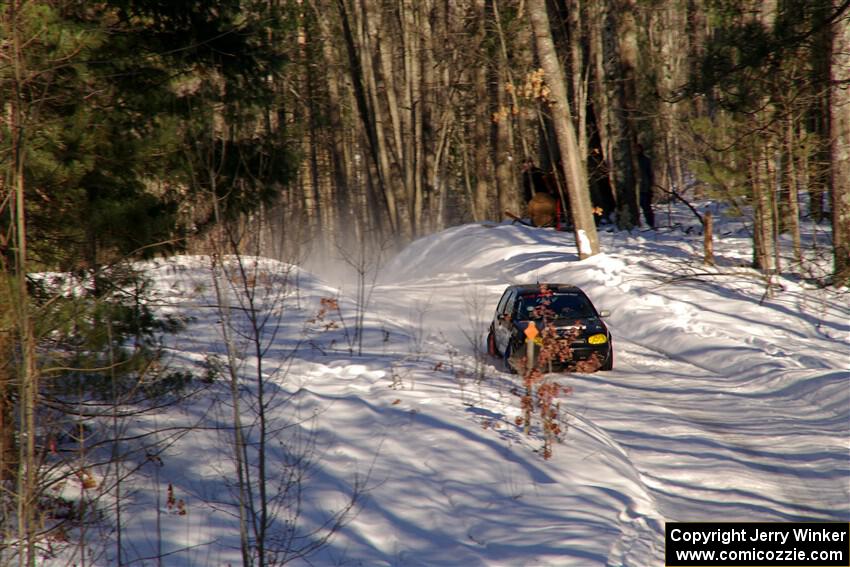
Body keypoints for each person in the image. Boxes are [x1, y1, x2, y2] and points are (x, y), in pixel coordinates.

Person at [636, 144, 655, 229]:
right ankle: (637, 225)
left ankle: (651, 224)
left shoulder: (646, 160)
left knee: (646, 207)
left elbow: (650, 174)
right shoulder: (630, 161)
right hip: (634, 189)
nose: (637, 150)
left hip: (644, 188)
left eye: (638, 149)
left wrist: (650, 186)